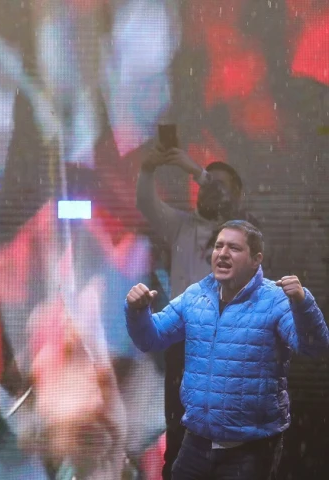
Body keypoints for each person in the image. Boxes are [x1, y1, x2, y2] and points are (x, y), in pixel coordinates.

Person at [125, 220, 329, 479]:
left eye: (233, 248)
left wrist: (302, 303)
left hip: (249, 449)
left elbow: (314, 347)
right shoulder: (195, 296)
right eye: (218, 246)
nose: (222, 253)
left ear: (256, 259)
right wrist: (138, 311)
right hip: (196, 442)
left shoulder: (275, 300)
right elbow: (150, 339)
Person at [137, 142, 254, 479]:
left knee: (226, 437)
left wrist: (198, 172)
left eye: (216, 184)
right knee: (178, 432)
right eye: (204, 184)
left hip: (228, 344)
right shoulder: (181, 226)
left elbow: (229, 207)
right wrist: (147, 170)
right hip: (182, 344)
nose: (206, 190)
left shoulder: (243, 235)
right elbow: (145, 202)